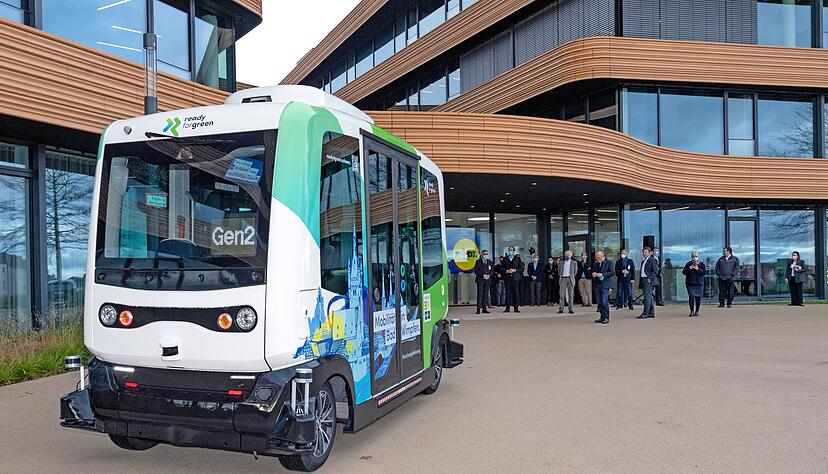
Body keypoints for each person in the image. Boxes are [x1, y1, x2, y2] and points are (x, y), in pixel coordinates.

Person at [592, 251, 614, 324]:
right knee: (599, 302)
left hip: (605, 285)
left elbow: (612, 273)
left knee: (604, 301)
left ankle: (606, 317)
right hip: (597, 285)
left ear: (602, 256)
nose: (597, 258)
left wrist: (603, 275)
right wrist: (594, 274)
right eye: (596, 257)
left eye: (598, 257)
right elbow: (593, 271)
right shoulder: (596, 264)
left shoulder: (609, 263)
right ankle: (602, 317)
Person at [637, 247, 659, 319]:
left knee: (647, 297)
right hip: (643, 280)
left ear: (650, 253)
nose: (644, 253)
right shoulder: (643, 261)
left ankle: (645, 313)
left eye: (646, 252)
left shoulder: (652, 260)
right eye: (643, 252)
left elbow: (655, 271)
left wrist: (649, 279)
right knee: (649, 297)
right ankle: (651, 313)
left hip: (648, 280)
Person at [682, 251, 706, 317]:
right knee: (691, 297)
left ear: (699, 257)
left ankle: (697, 311)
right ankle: (691, 311)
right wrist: (689, 268)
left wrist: (698, 269)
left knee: (698, 298)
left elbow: (704, 273)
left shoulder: (702, 264)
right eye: (693, 256)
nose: (695, 257)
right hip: (690, 283)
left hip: (699, 283)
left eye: (696, 256)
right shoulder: (688, 264)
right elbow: (684, 272)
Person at [502, 245, 524, 313]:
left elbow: (521, 268)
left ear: (514, 251)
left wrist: (515, 270)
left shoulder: (517, 258)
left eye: (512, 250)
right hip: (507, 278)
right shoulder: (505, 259)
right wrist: (507, 271)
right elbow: (501, 268)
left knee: (516, 293)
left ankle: (516, 307)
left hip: (515, 278)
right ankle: (507, 307)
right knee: (508, 293)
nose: (510, 251)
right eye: (509, 250)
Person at [473, 250, 493, 314]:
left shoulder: (490, 262)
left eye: (487, 254)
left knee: (486, 295)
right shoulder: (478, 262)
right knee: (480, 294)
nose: (485, 255)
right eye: (484, 254)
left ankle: (484, 308)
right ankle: (478, 309)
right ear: (481, 254)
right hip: (480, 280)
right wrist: (483, 275)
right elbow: (476, 271)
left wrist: (489, 275)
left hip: (488, 280)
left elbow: (492, 270)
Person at [558, 250, 577, 314]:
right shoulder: (561, 262)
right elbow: (559, 271)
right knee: (561, 295)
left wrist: (572, 276)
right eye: (565, 254)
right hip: (563, 279)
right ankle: (561, 308)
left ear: (571, 255)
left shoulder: (574, 262)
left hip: (570, 279)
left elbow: (575, 272)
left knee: (571, 295)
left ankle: (570, 309)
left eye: (568, 255)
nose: (566, 256)